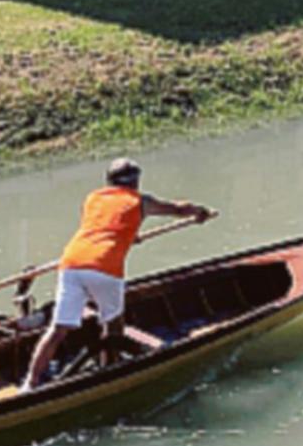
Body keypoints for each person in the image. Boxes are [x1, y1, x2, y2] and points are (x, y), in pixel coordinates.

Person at [22, 158, 211, 390]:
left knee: (57, 329)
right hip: (104, 266)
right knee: (113, 325)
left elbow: (103, 227)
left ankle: (30, 383)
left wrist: (129, 236)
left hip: (71, 263)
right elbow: (177, 209)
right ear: (136, 181)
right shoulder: (140, 201)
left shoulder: (93, 198)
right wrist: (199, 212)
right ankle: (110, 372)